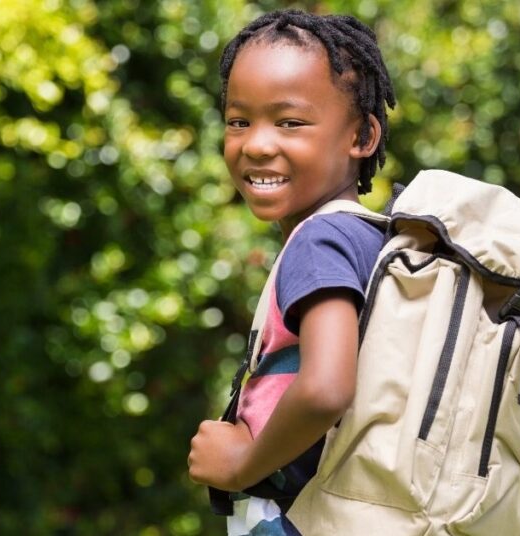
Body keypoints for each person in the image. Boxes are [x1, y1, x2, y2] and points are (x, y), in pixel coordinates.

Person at [187, 9, 397, 535]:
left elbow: (327, 387)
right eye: (239, 121)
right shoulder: (375, 240)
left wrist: (242, 465)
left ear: (363, 136)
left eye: (290, 122)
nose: (257, 144)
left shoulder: (319, 243)